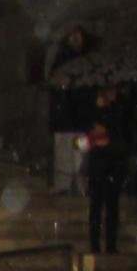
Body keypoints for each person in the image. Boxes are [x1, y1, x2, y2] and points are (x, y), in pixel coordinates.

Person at [43, 25, 99, 193]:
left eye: (78, 35)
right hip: (65, 117)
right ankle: (64, 185)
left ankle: (82, 186)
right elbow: (55, 81)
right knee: (64, 152)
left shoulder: (88, 59)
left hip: (82, 118)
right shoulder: (62, 58)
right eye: (73, 35)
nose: (75, 39)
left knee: (81, 154)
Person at [82, 85, 131, 256]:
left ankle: (110, 244)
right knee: (97, 207)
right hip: (99, 166)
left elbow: (122, 136)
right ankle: (96, 244)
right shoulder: (94, 111)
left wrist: (107, 134)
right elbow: (88, 136)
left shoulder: (119, 111)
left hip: (112, 165)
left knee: (111, 208)